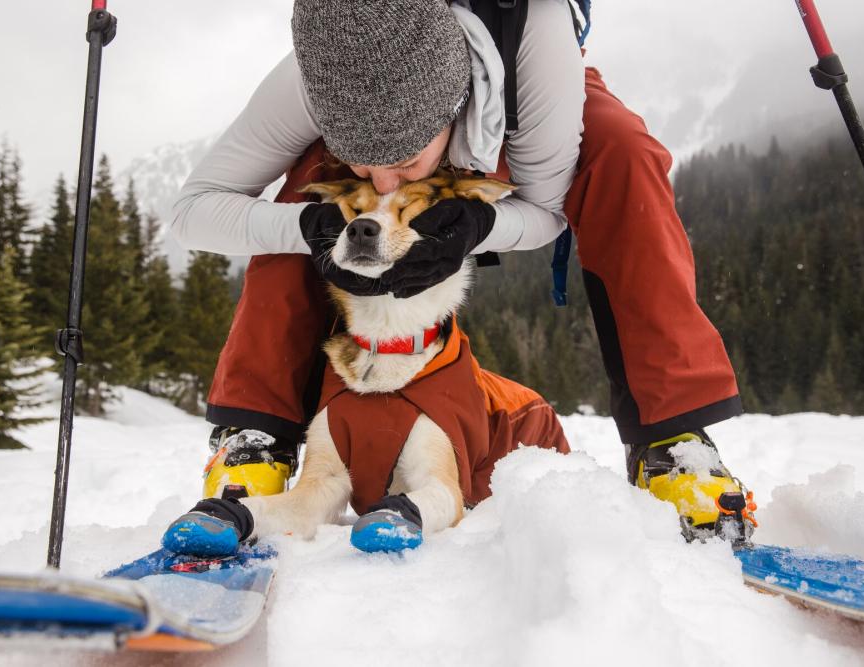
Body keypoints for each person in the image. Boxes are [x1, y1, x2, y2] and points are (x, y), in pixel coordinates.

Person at [163, 0, 754, 551]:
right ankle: (255, 438)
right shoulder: (321, 70)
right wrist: (314, 227)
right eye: (364, 163)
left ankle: (672, 441)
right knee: (306, 184)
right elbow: (193, 211)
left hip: (513, 81)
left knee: (624, 153)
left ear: (451, 114)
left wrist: (474, 227)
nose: (385, 185)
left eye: (402, 164)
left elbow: (546, 211)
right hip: (384, 86)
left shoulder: (534, 39)